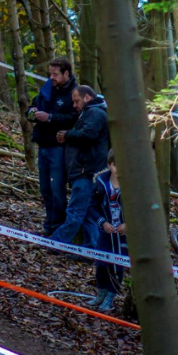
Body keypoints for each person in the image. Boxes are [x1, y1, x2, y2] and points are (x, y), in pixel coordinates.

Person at [49, 84, 109, 245]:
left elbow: (88, 134)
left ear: (87, 97)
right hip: (85, 171)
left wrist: (67, 135)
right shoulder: (88, 113)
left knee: (76, 210)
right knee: (88, 213)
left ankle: (56, 242)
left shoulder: (95, 113)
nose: (74, 105)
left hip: (87, 171)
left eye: (76, 101)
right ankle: (90, 249)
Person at [26, 57, 78, 236]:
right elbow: (34, 103)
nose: (52, 77)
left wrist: (50, 117)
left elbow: (74, 118)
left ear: (66, 73)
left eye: (55, 74)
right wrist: (31, 112)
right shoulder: (47, 88)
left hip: (59, 147)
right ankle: (49, 224)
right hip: (44, 143)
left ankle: (57, 227)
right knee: (45, 188)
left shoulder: (74, 93)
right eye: (50, 74)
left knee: (57, 189)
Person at [85, 149, 126, 312]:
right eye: (117, 166)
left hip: (123, 235)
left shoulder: (133, 187)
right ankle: (101, 293)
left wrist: (128, 224)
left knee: (117, 265)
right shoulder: (101, 183)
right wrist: (102, 222)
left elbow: (139, 210)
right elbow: (92, 206)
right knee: (102, 263)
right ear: (110, 165)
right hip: (105, 231)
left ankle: (110, 296)